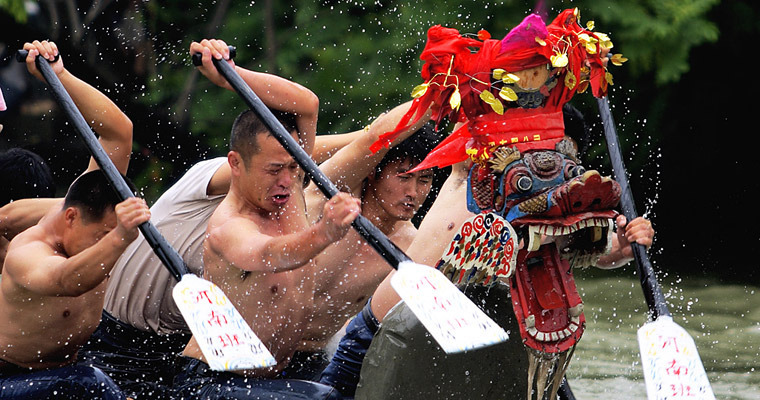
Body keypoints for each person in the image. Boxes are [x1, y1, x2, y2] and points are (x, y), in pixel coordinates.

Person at [0, 40, 149, 399]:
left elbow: (118, 133)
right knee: (87, 384)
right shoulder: (28, 251)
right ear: (70, 216)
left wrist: (61, 77)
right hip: (11, 378)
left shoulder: (87, 204)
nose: (107, 244)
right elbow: (67, 279)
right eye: (100, 235)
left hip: (73, 365)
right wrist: (120, 237)